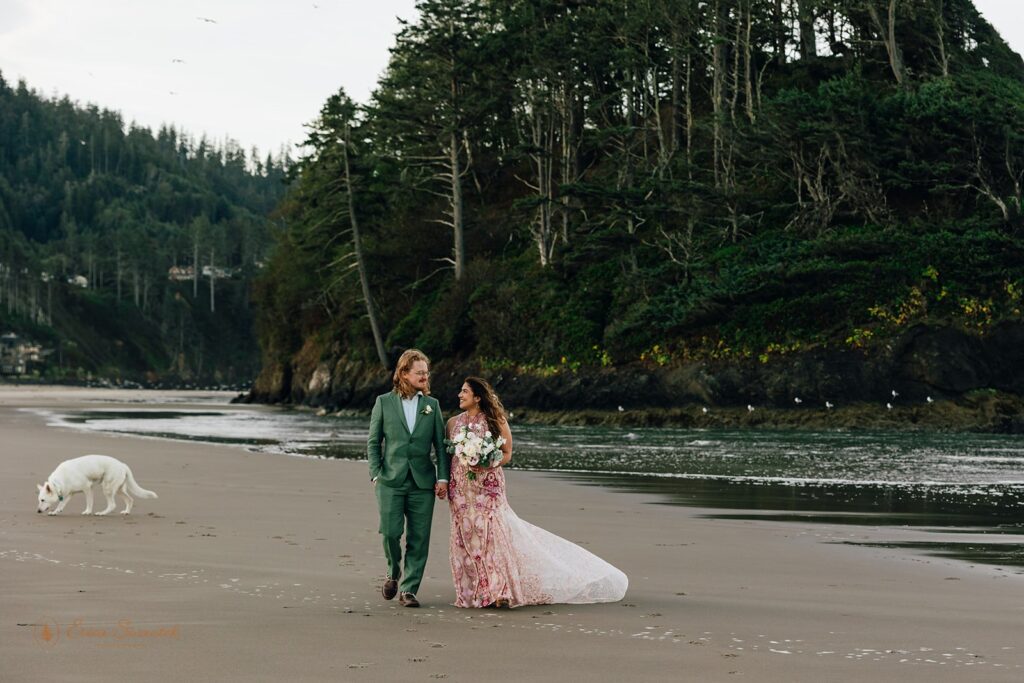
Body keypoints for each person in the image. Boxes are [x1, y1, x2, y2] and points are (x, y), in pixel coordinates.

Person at [442, 376, 628, 608]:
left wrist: (487, 463)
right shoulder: (452, 424)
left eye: (464, 391)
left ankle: (500, 592)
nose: (459, 395)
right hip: (461, 490)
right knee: (467, 539)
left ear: (478, 397)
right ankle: (474, 592)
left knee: (493, 538)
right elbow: (448, 457)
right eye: (461, 391)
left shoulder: (494, 420)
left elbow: (507, 452)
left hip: (488, 489)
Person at [367, 349, 449, 608]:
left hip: (423, 482)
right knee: (391, 533)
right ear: (404, 373)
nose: (425, 376)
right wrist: (375, 474)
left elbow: (440, 445)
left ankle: (409, 589)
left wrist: (443, 478)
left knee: (419, 537)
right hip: (390, 480)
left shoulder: (432, 406)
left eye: (426, 372)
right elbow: (373, 441)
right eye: (420, 372)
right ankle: (393, 572)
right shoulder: (383, 402)